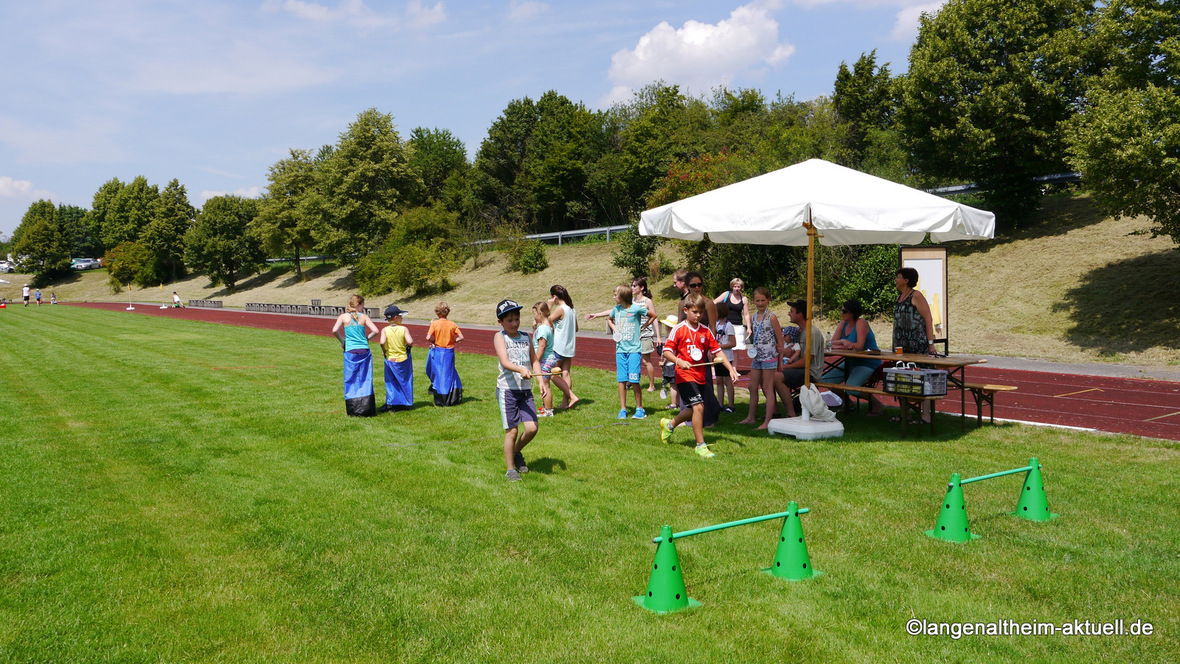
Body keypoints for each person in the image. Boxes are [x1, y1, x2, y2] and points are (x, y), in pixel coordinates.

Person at [659, 294, 740, 459]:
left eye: (700, 312)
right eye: (694, 312)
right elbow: (667, 351)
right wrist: (678, 361)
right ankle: (700, 446)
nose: (698, 315)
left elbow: (718, 351)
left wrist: (731, 369)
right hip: (684, 375)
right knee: (699, 408)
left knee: (691, 409)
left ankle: (670, 424)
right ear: (686, 310)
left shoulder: (705, 332)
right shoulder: (679, 329)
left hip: (700, 376)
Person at [493, 299, 547, 482]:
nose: (515, 323)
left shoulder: (525, 337)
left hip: (525, 391)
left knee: (532, 429)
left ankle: (516, 452)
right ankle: (510, 470)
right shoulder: (500, 337)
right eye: (510, 320)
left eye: (517, 319)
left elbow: (534, 361)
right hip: (507, 390)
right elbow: (505, 362)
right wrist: (521, 369)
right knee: (512, 431)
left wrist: (540, 381)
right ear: (500, 322)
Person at [587, 284, 651, 420]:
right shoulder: (616, 309)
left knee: (634, 380)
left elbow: (653, 315)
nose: (613, 297)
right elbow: (609, 319)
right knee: (621, 380)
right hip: (620, 350)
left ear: (622, 296)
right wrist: (614, 328)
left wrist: (643, 327)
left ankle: (640, 408)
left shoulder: (636, 309)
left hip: (634, 350)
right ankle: (623, 409)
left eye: (615, 294)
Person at [822, 298, 884, 415]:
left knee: (851, 388)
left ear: (852, 313)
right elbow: (830, 343)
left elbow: (859, 346)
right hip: (851, 362)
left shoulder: (861, 323)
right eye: (841, 310)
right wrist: (843, 342)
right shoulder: (843, 324)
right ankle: (848, 403)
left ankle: (876, 403)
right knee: (825, 380)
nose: (842, 313)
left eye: (844, 311)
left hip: (867, 362)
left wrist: (840, 344)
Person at [893, 267, 938, 422]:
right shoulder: (899, 297)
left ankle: (926, 415)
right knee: (901, 377)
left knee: (922, 378)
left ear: (906, 280)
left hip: (917, 345)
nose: (895, 280)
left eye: (898, 277)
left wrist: (931, 344)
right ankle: (905, 413)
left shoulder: (916, 295)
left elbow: (928, 319)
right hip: (901, 346)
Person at [738, 287, 785, 430]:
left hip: (769, 357)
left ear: (768, 300)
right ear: (753, 301)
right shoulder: (753, 316)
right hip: (757, 356)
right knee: (752, 386)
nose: (760, 303)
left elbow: (780, 340)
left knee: (767, 387)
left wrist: (780, 360)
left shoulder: (772, 317)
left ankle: (767, 421)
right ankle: (750, 418)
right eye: (757, 300)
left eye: (763, 300)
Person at [772, 299, 825, 418]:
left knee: (777, 377)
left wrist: (785, 366)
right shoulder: (799, 331)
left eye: (791, 311)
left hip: (810, 373)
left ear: (800, 315)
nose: (788, 313)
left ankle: (791, 413)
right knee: (766, 372)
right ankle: (775, 412)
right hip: (800, 369)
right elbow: (796, 352)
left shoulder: (812, 333)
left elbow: (806, 361)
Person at [682, 271, 722, 426]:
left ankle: (710, 416)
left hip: (702, 348)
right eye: (693, 285)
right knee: (687, 382)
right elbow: (680, 324)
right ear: (687, 286)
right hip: (687, 348)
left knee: (704, 383)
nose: (697, 287)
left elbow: (713, 326)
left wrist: (711, 349)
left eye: (699, 284)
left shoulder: (708, 303)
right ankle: (689, 416)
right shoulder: (683, 304)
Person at [331, 294, 380, 417]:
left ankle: (353, 409)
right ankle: (367, 407)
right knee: (365, 377)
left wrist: (343, 342)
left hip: (351, 351)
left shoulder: (343, 317)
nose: (364, 308)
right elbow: (375, 330)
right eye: (363, 305)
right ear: (358, 305)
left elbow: (334, 330)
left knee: (351, 378)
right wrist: (367, 338)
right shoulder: (363, 317)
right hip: (364, 350)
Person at [425, 301, 464, 406]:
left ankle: (441, 396)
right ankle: (452, 395)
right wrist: (453, 341)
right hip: (449, 351)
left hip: (439, 350)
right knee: (449, 372)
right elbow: (461, 337)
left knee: (439, 372)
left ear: (437, 313)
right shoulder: (452, 324)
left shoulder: (435, 323)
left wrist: (434, 341)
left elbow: (428, 337)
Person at [547, 285, 580, 409]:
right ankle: (565, 403)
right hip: (569, 347)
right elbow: (576, 328)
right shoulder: (572, 309)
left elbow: (547, 321)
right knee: (565, 374)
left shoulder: (561, 309)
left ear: (554, 297)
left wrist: (549, 306)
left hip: (559, 346)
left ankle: (572, 396)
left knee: (551, 373)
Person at [378, 305, 415, 412]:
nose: (402, 318)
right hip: (403, 358)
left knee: (391, 381)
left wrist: (384, 350)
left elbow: (381, 342)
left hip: (390, 358)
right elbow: (410, 341)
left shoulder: (385, 330)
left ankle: (392, 403)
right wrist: (408, 347)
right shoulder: (404, 329)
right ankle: (407, 402)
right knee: (405, 380)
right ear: (396, 318)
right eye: (400, 316)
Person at [531, 301, 561, 417]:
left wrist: (535, 360)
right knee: (545, 383)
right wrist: (534, 328)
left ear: (540, 313)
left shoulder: (543, 328)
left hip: (545, 359)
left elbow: (542, 346)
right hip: (549, 358)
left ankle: (548, 411)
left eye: (535, 314)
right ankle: (545, 408)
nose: (534, 316)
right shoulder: (547, 327)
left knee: (545, 384)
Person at [631, 277, 661, 392]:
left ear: (641, 288)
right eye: (632, 286)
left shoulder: (647, 301)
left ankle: (652, 385)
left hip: (646, 334)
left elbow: (654, 318)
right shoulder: (632, 301)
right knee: (633, 359)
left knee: (645, 360)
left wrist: (658, 337)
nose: (632, 288)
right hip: (634, 335)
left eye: (634, 286)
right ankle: (631, 381)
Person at [714, 278, 753, 348]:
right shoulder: (726, 294)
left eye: (739, 287)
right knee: (724, 345)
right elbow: (714, 303)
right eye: (735, 287)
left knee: (739, 347)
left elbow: (746, 314)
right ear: (732, 287)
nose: (737, 289)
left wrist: (749, 328)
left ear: (741, 288)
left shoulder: (744, 299)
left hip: (738, 326)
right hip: (725, 325)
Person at [713, 301, 737, 412]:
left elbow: (733, 343)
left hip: (727, 357)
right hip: (717, 358)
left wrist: (720, 346)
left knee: (727, 381)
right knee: (719, 381)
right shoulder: (716, 324)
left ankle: (731, 405)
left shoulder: (729, 326)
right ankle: (720, 404)